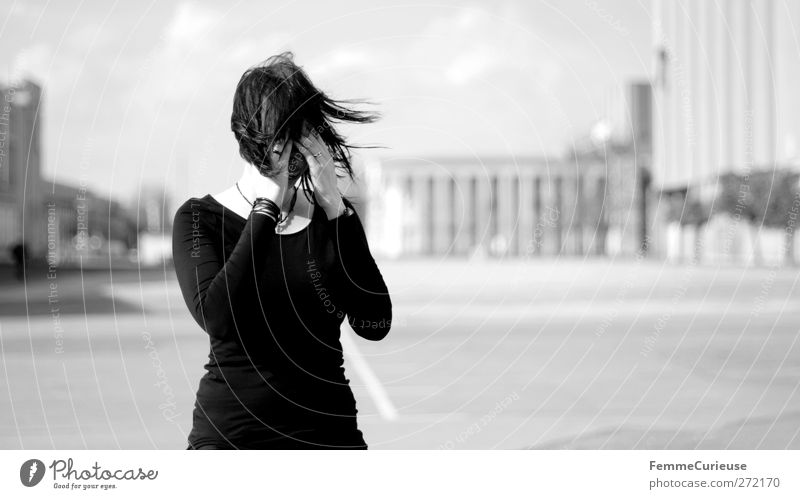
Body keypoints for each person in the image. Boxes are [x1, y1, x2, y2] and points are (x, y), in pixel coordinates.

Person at [171, 52, 392, 450]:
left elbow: (374, 323)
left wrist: (335, 209)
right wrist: (265, 210)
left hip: (328, 437)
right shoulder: (200, 218)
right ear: (249, 137)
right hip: (233, 438)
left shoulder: (332, 218)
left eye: (306, 131)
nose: (296, 148)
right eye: (285, 133)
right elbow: (217, 317)